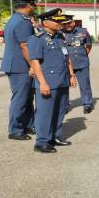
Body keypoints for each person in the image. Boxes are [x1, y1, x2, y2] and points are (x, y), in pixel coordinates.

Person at [27, 8, 77, 153]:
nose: (60, 23)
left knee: (60, 111)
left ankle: (55, 136)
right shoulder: (37, 38)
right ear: (46, 22)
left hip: (62, 80)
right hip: (48, 82)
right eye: (56, 21)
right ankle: (41, 141)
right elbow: (35, 62)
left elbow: (66, 58)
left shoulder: (60, 37)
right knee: (45, 112)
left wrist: (72, 75)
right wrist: (42, 82)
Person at [1, 0, 37, 140]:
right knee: (21, 98)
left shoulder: (14, 19)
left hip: (16, 64)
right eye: (33, 5)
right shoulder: (23, 22)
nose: (34, 7)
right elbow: (25, 46)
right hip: (20, 65)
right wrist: (33, 65)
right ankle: (15, 129)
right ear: (28, 6)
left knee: (27, 97)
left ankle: (28, 124)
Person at [62, 15, 94, 113]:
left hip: (81, 62)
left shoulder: (83, 32)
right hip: (66, 63)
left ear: (73, 22)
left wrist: (84, 54)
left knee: (85, 84)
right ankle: (65, 105)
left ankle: (87, 103)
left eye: (69, 23)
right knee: (64, 86)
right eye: (65, 24)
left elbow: (88, 45)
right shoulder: (59, 34)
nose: (67, 25)